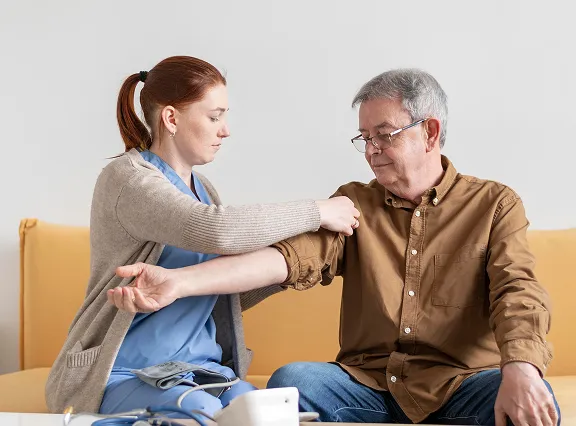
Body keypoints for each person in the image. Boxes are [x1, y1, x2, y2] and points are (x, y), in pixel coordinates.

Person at [109, 68, 561, 425]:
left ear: (430, 131)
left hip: (459, 383)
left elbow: (517, 292)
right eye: (364, 138)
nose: (372, 150)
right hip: (368, 387)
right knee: (293, 381)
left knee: (537, 399)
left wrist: (522, 366)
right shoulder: (355, 202)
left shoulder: (494, 204)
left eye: (384, 134)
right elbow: (287, 261)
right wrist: (178, 282)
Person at [45, 55, 360, 416]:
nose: (225, 129)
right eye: (214, 116)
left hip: (201, 371)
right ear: (171, 118)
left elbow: (216, 295)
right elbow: (217, 230)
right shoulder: (127, 179)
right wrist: (318, 211)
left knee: (265, 412)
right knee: (200, 411)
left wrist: (288, 267)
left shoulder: (203, 188)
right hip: (123, 372)